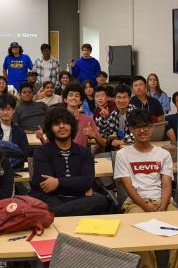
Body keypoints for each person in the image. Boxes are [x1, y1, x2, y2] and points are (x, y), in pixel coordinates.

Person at [114, 109, 178, 268]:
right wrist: (146, 207)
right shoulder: (123, 154)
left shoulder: (163, 154)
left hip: (164, 202)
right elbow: (128, 187)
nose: (142, 130)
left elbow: (167, 184)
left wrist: (163, 206)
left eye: (145, 126)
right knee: (140, 236)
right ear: (130, 129)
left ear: (152, 128)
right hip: (136, 204)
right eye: (137, 127)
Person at [30, 107, 107, 216]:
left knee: (100, 200)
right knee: (41, 203)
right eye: (56, 124)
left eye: (65, 123)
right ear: (50, 128)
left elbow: (87, 181)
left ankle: (52, 214)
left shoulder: (84, 152)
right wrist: (79, 187)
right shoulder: (42, 152)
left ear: (72, 126)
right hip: (52, 199)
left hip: (76, 200)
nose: (61, 126)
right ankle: (57, 213)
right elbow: (46, 186)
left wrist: (58, 182)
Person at [62, 82, 105, 149]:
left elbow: (103, 145)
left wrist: (94, 136)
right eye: (71, 95)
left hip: (80, 157)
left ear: (81, 101)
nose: (74, 98)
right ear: (65, 99)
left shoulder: (88, 120)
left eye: (77, 96)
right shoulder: (58, 118)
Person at [99, 85, 137, 149]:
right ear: (114, 99)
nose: (121, 101)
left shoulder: (135, 113)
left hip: (132, 148)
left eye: (124, 97)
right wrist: (104, 118)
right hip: (119, 149)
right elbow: (105, 134)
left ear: (130, 99)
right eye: (119, 97)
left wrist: (122, 141)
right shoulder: (114, 114)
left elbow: (138, 133)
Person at [0, 93, 29, 159]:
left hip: (15, 166)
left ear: (14, 110)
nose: (5, 112)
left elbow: (25, 154)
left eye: (8, 109)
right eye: (2, 109)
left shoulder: (19, 131)